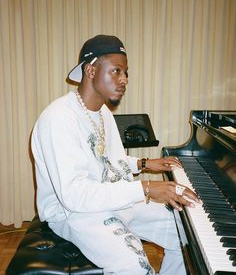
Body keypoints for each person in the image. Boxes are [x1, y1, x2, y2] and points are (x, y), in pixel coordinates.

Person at [31, 34, 200, 275]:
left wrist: (144, 164)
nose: (124, 80)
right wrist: (146, 188)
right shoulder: (58, 118)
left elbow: (109, 163)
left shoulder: (102, 114)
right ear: (91, 70)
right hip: (71, 212)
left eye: (126, 73)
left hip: (106, 199)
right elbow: (74, 195)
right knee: (135, 265)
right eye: (116, 71)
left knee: (186, 231)